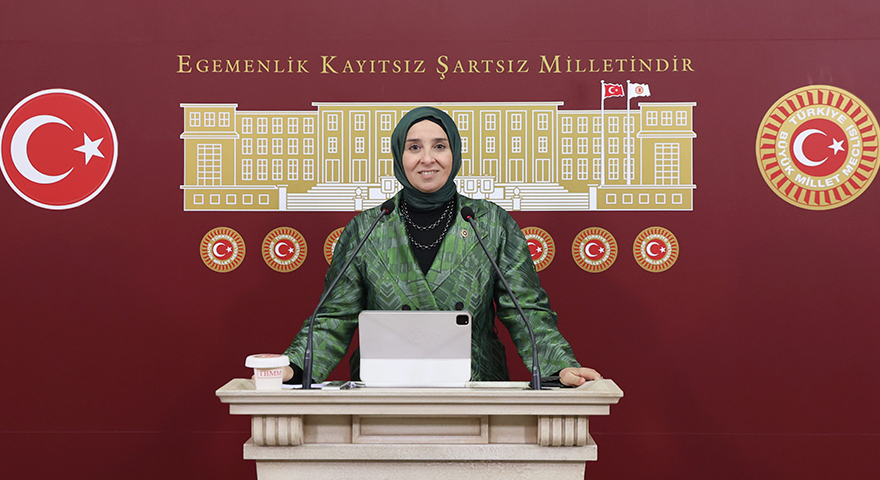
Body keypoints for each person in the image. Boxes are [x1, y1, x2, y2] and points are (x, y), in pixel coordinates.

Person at [282, 106, 600, 387]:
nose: (427, 159)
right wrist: (293, 366)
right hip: (385, 391)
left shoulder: (490, 223)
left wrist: (559, 366)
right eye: (414, 147)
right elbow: (335, 317)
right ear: (399, 156)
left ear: (454, 153)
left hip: (475, 389)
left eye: (439, 146)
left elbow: (526, 311)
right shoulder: (367, 228)